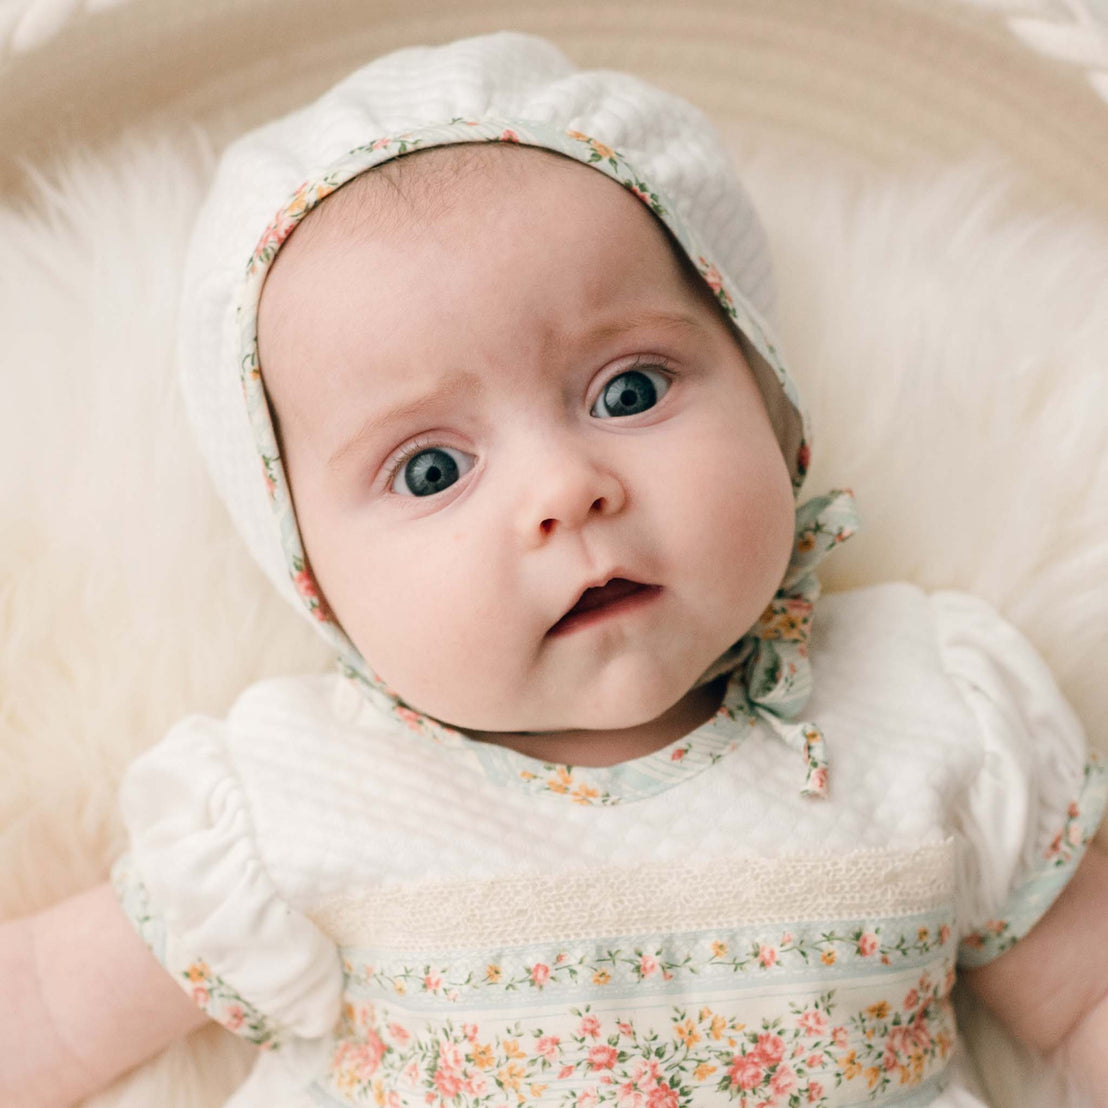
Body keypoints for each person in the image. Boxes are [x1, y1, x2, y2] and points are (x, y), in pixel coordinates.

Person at [3, 30, 1107, 1108]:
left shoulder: (930, 708)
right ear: (310, 574)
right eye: (431, 468)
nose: (562, 491)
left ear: (771, 405)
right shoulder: (293, 799)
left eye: (629, 390)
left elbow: (1083, 997)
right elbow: (49, 1006)